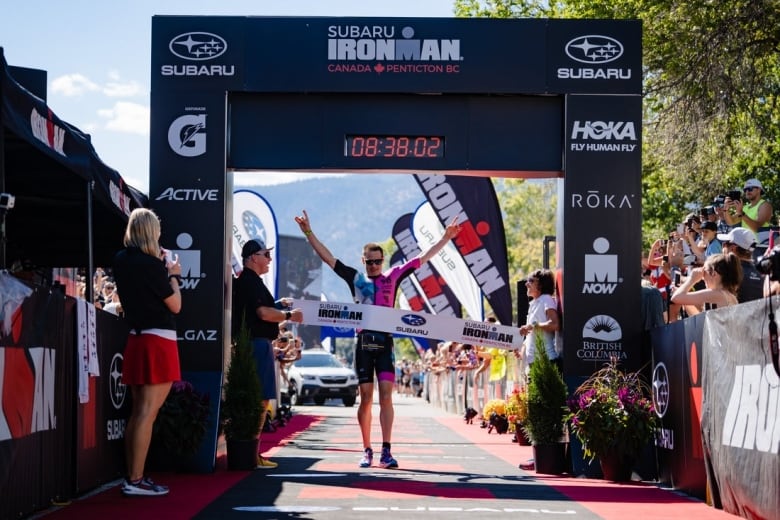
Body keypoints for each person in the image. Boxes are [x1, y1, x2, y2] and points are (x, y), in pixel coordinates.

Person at [295, 209, 460, 469]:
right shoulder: (356, 278)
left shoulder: (393, 276)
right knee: (366, 398)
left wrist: (446, 237)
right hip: (363, 344)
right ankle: (366, 449)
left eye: (377, 261)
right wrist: (308, 232)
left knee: (386, 397)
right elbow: (329, 259)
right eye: (369, 262)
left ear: (383, 260)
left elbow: (422, 258)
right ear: (363, 261)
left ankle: (386, 450)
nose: (373, 266)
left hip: (385, 343)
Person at [113, 208, 182, 497]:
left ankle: (133, 477)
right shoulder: (152, 266)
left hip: (137, 338)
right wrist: (175, 275)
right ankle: (136, 480)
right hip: (158, 339)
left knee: (138, 413)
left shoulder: (121, 260)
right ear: (150, 231)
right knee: (146, 414)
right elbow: (175, 305)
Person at [232, 238, 304, 469]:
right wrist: (289, 315)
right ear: (253, 257)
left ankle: (253, 452)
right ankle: (252, 453)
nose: (270, 259)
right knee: (260, 399)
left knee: (260, 399)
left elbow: (260, 308)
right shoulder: (250, 281)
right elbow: (262, 313)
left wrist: (279, 305)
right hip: (256, 343)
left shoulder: (249, 281)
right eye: (266, 254)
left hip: (256, 343)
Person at [518, 269, 561, 376]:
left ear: (541, 284)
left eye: (531, 280)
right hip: (533, 362)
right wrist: (521, 349)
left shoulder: (546, 299)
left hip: (545, 361)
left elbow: (555, 324)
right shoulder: (534, 303)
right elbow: (532, 333)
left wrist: (532, 326)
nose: (526, 284)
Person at [670, 252, 741, 313]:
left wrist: (691, 279)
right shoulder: (728, 295)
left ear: (713, 273)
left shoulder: (716, 294)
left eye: (704, 272)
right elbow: (699, 317)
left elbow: (676, 298)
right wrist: (685, 300)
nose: (702, 277)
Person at [717, 227, 763, 303]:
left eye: (724, 244)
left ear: (732, 248)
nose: (723, 247)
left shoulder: (725, 272)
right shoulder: (763, 274)